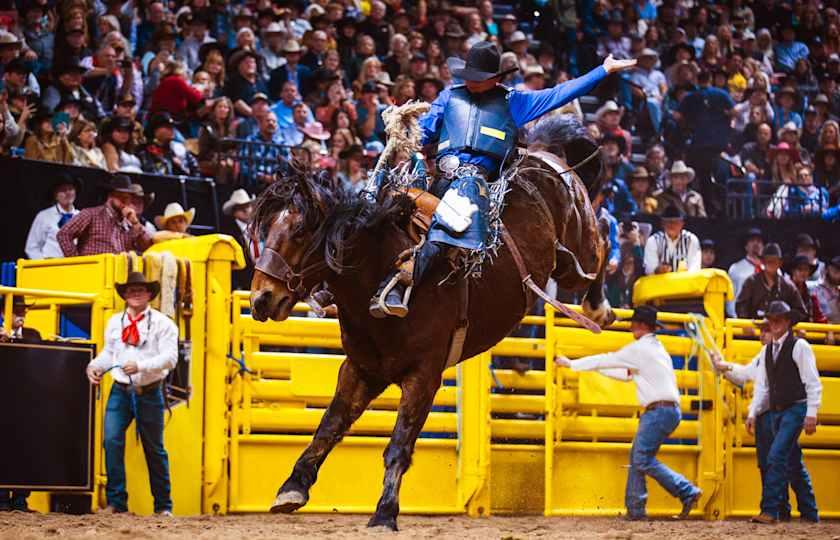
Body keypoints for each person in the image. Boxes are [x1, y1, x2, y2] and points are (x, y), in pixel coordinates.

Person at [369, 42, 636, 317]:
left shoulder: (514, 102)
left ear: (495, 79)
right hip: (439, 175)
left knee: (456, 211)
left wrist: (602, 70)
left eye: (478, 78)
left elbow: (560, 94)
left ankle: (403, 280)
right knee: (386, 200)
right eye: (468, 76)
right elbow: (423, 133)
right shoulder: (449, 98)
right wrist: (403, 135)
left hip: (476, 183)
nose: (471, 82)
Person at [555, 305, 702, 521]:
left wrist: (572, 364)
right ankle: (636, 509)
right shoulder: (654, 349)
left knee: (641, 459)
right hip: (666, 410)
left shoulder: (640, 349)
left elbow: (607, 359)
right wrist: (593, 368)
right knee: (639, 457)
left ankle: (686, 491)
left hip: (659, 411)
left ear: (640, 326)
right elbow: (624, 373)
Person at [85, 272, 178, 516]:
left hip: (149, 390)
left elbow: (171, 358)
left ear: (149, 294)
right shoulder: (115, 322)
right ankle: (117, 503)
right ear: (125, 294)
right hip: (121, 389)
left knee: (154, 448)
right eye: (131, 289)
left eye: (140, 289)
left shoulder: (163, 323)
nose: (135, 293)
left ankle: (163, 506)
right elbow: (110, 353)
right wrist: (95, 366)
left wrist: (141, 366)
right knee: (111, 441)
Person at [741, 301, 821, 525]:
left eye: (779, 319)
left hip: (795, 408)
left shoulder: (800, 347)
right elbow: (764, 387)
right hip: (781, 411)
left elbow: (812, 382)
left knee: (775, 456)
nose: (774, 323)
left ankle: (770, 510)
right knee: (792, 461)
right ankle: (809, 512)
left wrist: (811, 413)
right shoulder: (767, 350)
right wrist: (753, 412)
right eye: (772, 319)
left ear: (788, 322)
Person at [57, 174, 153, 257]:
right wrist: (77, 262)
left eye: (127, 197)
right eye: (120, 196)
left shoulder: (130, 223)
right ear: (110, 196)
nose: (124, 200)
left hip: (120, 275)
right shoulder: (91, 214)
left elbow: (147, 247)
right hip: (94, 272)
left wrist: (136, 223)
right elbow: (64, 234)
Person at [735, 243, 807, 322]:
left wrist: (786, 320)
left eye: (774, 261)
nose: (771, 263)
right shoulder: (751, 282)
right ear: (762, 262)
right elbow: (741, 306)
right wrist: (746, 323)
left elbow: (801, 311)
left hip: (779, 330)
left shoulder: (788, 286)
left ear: (780, 263)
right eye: (768, 260)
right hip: (754, 329)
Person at [26, 174, 81, 260]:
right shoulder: (44, 216)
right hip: (51, 266)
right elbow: (32, 247)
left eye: (70, 189)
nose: (68, 193)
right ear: (55, 195)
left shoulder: (81, 216)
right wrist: (43, 264)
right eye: (63, 190)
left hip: (75, 266)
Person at [643, 206, 701, 275]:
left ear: (682, 223)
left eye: (675, 222)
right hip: (660, 283)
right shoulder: (653, 240)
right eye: (668, 221)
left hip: (684, 283)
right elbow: (649, 269)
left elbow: (695, 268)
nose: (672, 225)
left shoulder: (691, 239)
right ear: (663, 224)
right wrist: (658, 270)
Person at [221, 189, 256, 290]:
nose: (246, 210)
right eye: (241, 208)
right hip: (241, 285)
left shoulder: (260, 229)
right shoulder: (228, 232)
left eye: (247, 206)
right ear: (233, 212)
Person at [727, 228, 764, 317]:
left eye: (759, 241)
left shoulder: (772, 269)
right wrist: (734, 317)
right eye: (752, 241)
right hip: (741, 319)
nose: (756, 244)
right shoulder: (735, 269)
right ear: (746, 246)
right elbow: (730, 298)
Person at [789, 256, 827, 323]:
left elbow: (818, 317)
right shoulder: (784, 290)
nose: (803, 273)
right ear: (793, 271)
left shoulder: (810, 294)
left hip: (807, 330)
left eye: (806, 269)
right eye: (800, 269)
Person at [813, 256, 840, 323]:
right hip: (825, 330)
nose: (838, 275)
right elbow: (826, 314)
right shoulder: (817, 290)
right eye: (836, 271)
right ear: (827, 269)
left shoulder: (838, 290)